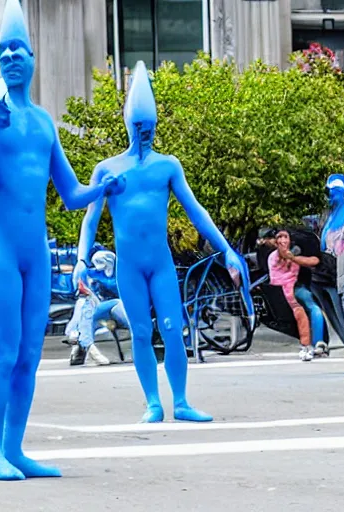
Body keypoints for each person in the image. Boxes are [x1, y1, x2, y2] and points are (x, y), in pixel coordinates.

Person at [0, 0, 117, 481]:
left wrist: (105, 187)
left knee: (31, 354)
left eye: (19, 49)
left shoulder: (45, 122)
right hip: (1, 250)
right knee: (4, 351)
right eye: (3, 50)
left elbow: (70, 194)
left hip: (37, 251)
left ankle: (15, 450)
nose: (10, 56)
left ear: (33, 59)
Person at [74, 61, 253, 424]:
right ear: (128, 124)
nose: (146, 133)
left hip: (160, 263)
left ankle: (182, 401)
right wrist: (81, 259)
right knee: (141, 331)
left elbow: (196, 212)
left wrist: (226, 250)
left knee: (173, 327)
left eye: (151, 127)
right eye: (140, 126)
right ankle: (153, 402)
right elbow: (89, 218)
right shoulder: (108, 169)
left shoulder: (167, 165)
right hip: (129, 265)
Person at [313, 175, 344, 361]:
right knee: (336, 317)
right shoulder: (332, 215)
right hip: (327, 272)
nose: (329, 195)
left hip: (342, 272)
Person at [268, 230, 313, 361]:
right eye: (280, 237)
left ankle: (306, 346)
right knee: (298, 312)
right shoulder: (274, 256)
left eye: (285, 237)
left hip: (291, 289)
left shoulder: (293, 255)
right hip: (278, 291)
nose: (283, 240)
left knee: (301, 313)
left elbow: (308, 262)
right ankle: (306, 345)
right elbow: (282, 255)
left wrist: (294, 257)